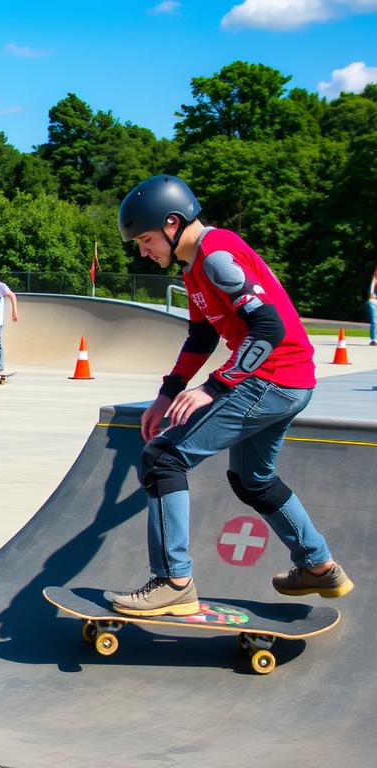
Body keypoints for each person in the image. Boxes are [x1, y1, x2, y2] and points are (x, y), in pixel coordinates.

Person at [106, 174, 352, 617]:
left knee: (164, 458)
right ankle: (318, 565)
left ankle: (173, 582)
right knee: (251, 479)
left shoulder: (217, 255)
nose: (142, 251)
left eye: (145, 239)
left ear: (172, 223)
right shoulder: (193, 266)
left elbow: (269, 328)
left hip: (271, 379)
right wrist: (168, 393)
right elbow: (201, 336)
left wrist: (216, 386)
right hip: (291, 382)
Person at [367, 264, 376, 345]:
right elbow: (374, 281)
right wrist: (371, 293)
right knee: (374, 320)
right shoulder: (375, 277)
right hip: (374, 300)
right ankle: (374, 339)